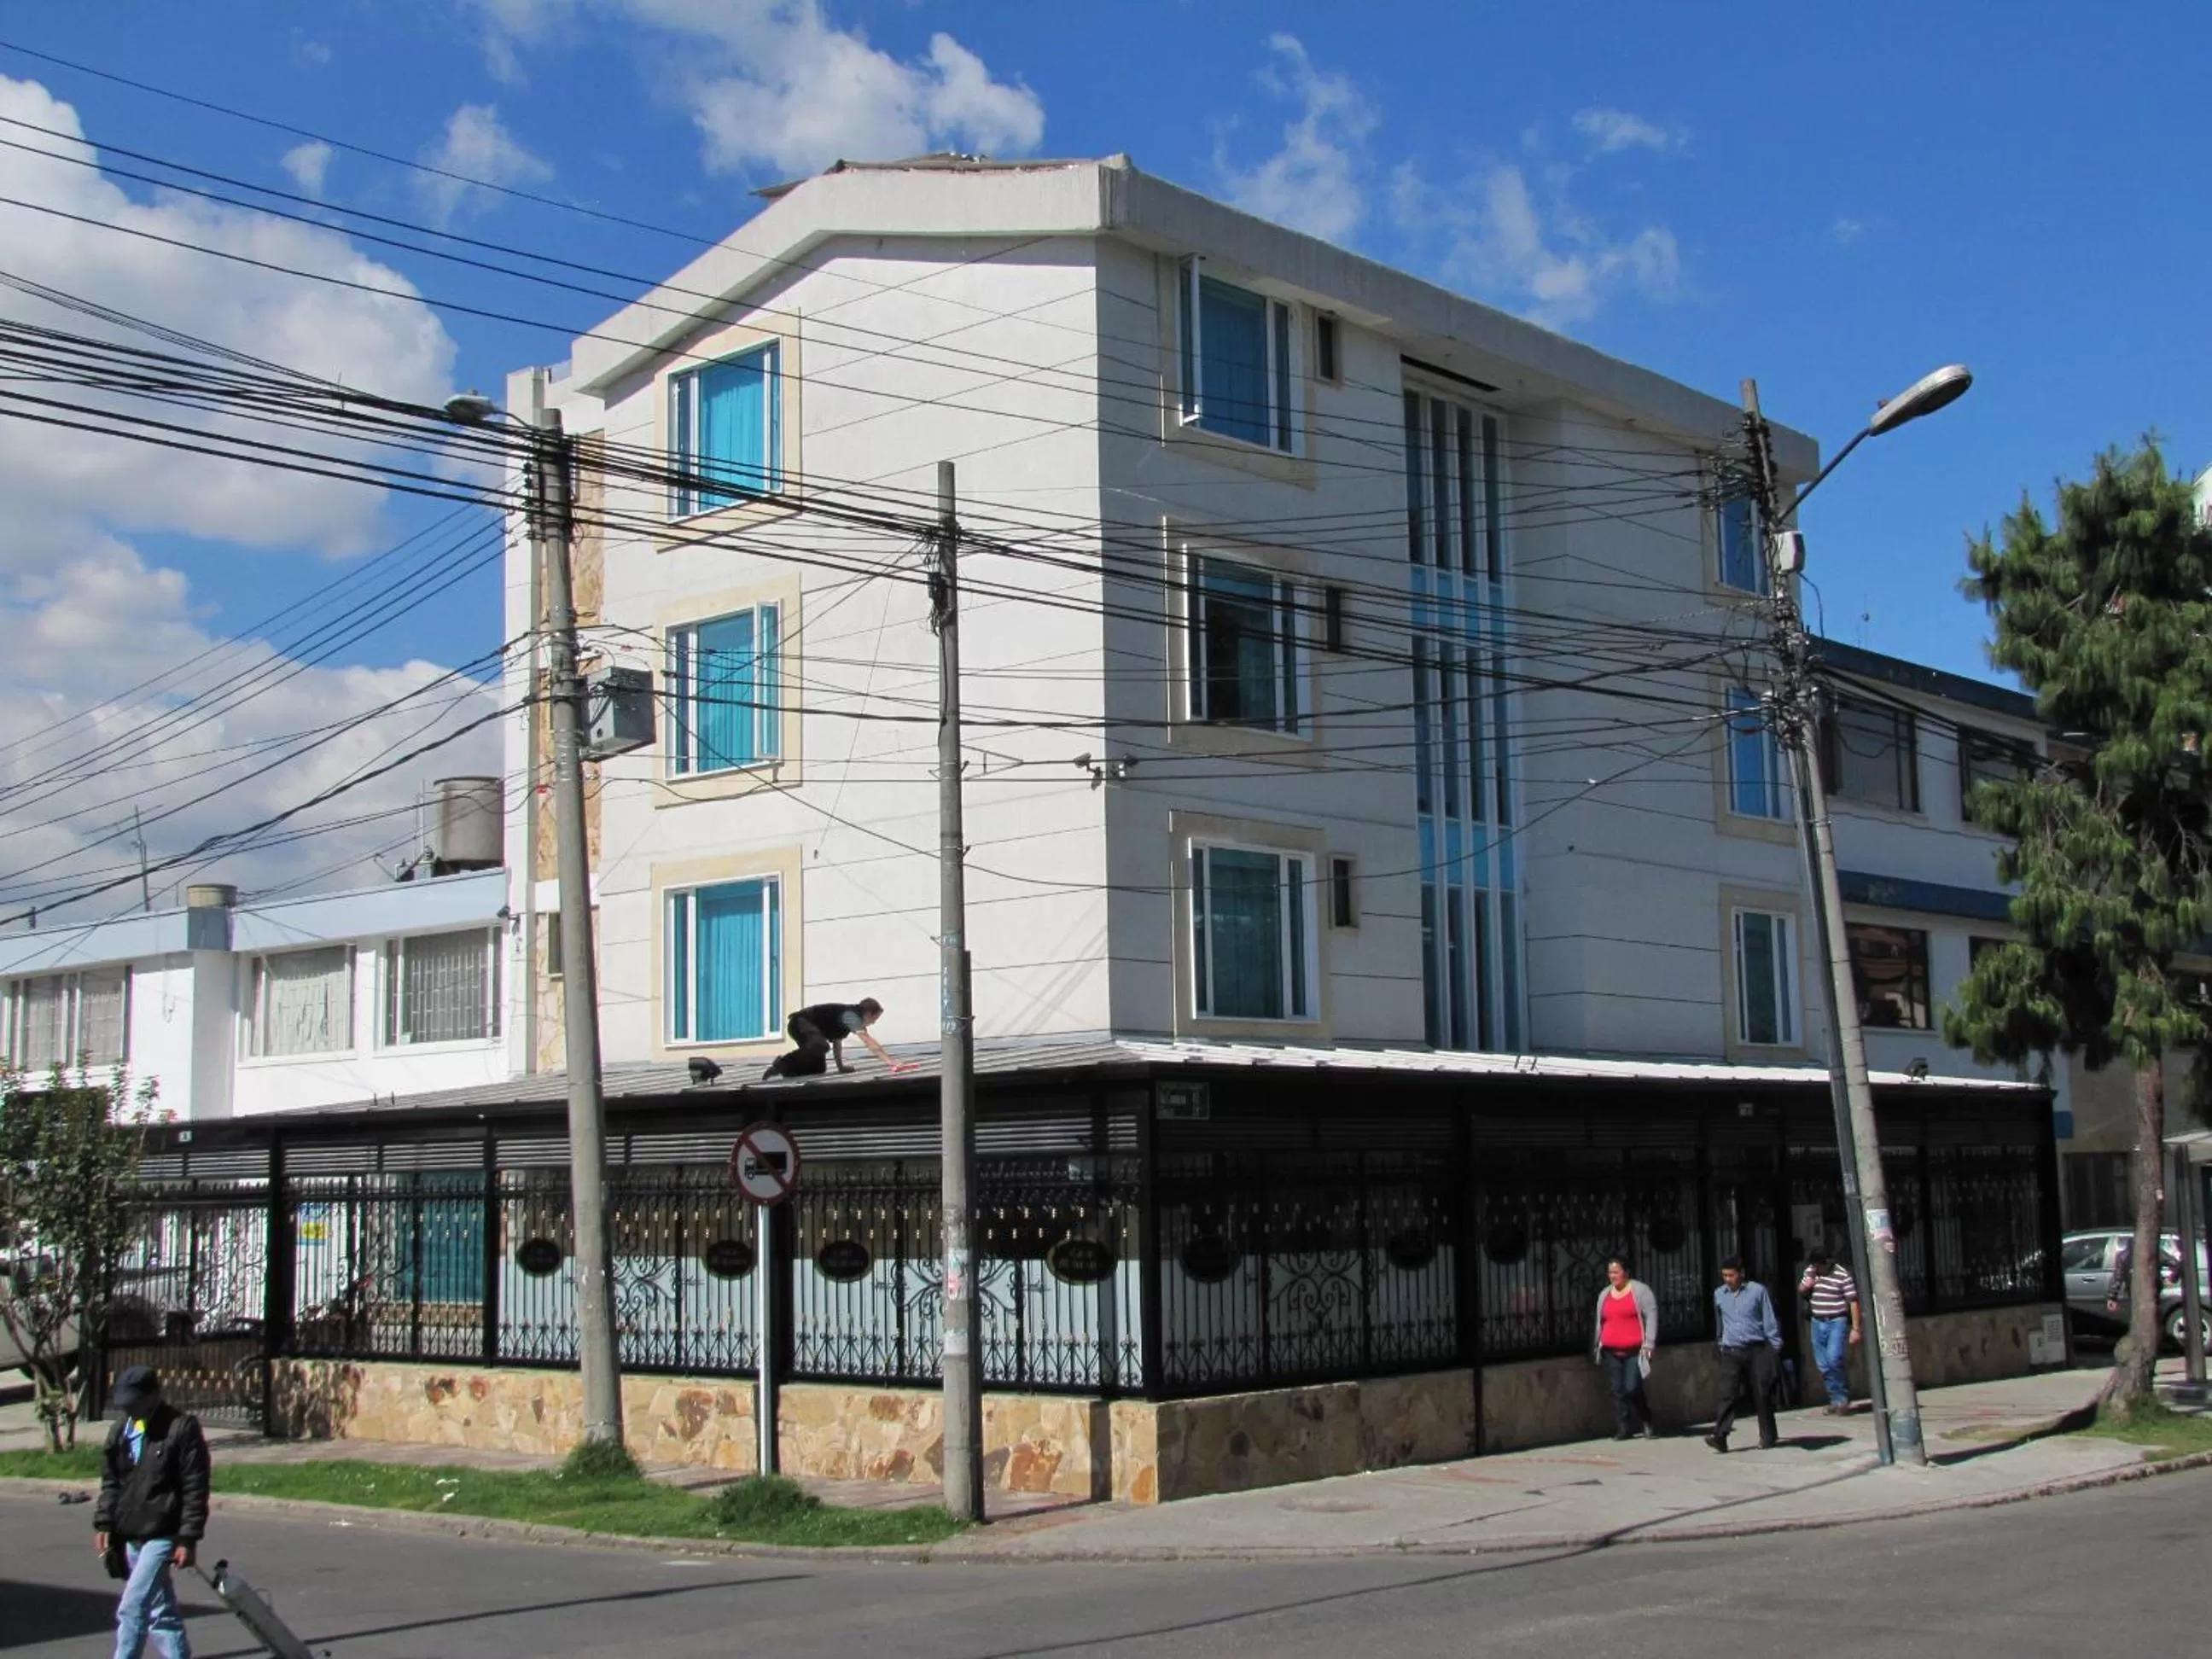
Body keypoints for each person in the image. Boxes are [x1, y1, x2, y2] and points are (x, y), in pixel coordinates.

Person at [93, 1365, 208, 1659]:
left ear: (154, 1396)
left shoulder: (181, 1428)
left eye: (134, 1403)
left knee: (132, 1606)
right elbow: (112, 1482)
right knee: (160, 1612)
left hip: (163, 1534)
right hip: (131, 1534)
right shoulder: (122, 1431)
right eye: (125, 1404)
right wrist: (105, 1523)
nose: (129, 1410)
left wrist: (187, 1539)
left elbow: (195, 1487)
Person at [1706, 1257, 1783, 1453]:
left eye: (1731, 1275)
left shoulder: (1757, 1291)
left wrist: (1774, 1345)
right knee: (1727, 1393)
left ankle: (1768, 1435)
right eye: (1724, 1275)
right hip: (1732, 1350)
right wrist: (1721, 1342)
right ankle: (1720, 1435)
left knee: (1761, 1393)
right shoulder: (1719, 1294)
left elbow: (1768, 1318)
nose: (1728, 1279)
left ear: (1741, 1274)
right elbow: (1719, 1320)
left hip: (1757, 1348)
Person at [1590, 1256, 1659, 1441]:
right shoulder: (1605, 1294)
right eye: (1610, 1272)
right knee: (1617, 1390)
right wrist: (1597, 1344)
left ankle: (1646, 1419)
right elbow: (1600, 1321)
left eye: (1616, 1272)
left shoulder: (1640, 1291)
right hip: (1611, 1351)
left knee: (1632, 1387)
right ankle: (1624, 1427)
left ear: (1626, 1272)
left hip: (1634, 1351)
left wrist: (1649, 1343)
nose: (1612, 1276)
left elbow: (1651, 1316)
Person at [761, 997, 911, 1080]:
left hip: (810, 1031)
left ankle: (787, 1071)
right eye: (874, 1019)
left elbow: (837, 1041)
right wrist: (891, 1062)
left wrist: (840, 1067)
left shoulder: (846, 1020)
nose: (873, 1023)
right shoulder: (851, 1016)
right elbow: (869, 1042)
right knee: (820, 1046)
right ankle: (781, 1064)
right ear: (867, 1014)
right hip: (800, 1023)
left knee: (818, 1069)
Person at [1798, 1248, 1862, 1414]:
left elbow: (1853, 1301)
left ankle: (1842, 1398)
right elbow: (1801, 1290)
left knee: (1834, 1358)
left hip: (1836, 1320)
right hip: (1817, 1320)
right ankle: (1835, 1398)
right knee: (1823, 1364)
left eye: (1818, 1265)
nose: (1816, 1269)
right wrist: (1806, 1286)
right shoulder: (1811, 1272)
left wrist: (1855, 1328)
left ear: (1826, 1263)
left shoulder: (1842, 1275)